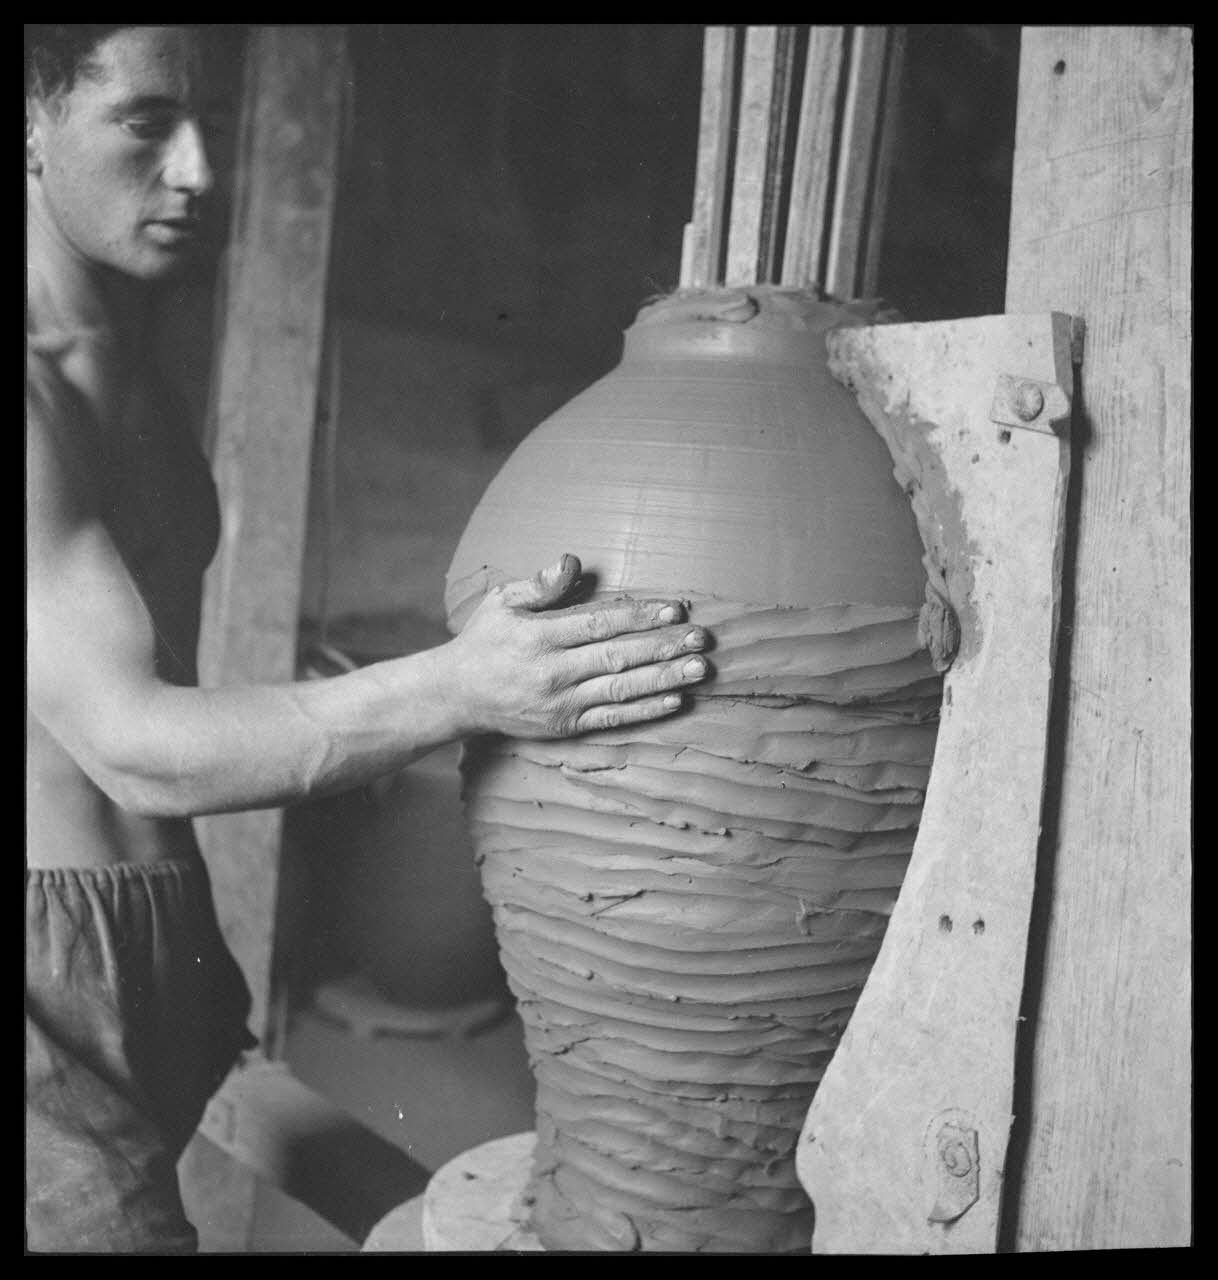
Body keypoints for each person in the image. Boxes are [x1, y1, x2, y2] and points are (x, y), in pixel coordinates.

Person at [25, 24, 711, 1253]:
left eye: (217, 125)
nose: (196, 169)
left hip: (163, 941)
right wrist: (462, 684)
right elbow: (133, 746)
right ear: (29, 119)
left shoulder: (135, 371)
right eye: (145, 122)